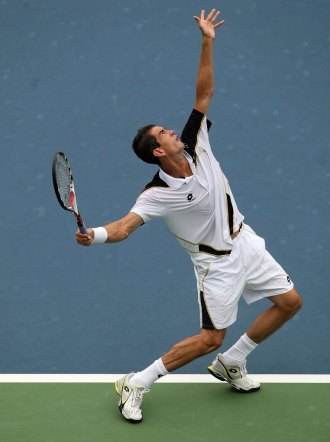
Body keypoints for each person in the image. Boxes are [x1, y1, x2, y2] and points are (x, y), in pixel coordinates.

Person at [76, 8, 302, 424]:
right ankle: (137, 381)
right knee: (208, 339)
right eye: (164, 134)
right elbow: (125, 226)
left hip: (244, 240)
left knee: (289, 302)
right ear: (158, 152)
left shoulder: (196, 142)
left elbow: (203, 94)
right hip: (215, 265)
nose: (173, 132)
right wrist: (95, 234)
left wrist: (207, 41)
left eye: (168, 128)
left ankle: (233, 362)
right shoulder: (157, 195)